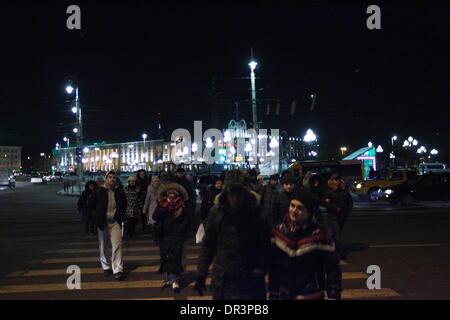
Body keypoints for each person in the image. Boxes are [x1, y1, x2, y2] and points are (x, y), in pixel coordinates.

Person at [194, 170, 270, 300]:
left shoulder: (256, 212)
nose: (235, 198)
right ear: (226, 193)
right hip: (224, 280)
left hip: (250, 280)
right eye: (232, 193)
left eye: (239, 193)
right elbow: (209, 243)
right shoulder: (217, 212)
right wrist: (201, 273)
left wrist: (260, 269)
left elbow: (265, 244)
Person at [268, 190, 342, 300]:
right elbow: (274, 266)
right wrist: (273, 292)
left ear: (309, 212)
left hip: (311, 293)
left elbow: (332, 268)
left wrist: (334, 294)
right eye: (292, 206)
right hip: (285, 293)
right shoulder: (279, 232)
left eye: (300, 208)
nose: (294, 211)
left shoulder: (321, 235)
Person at [88, 171, 127, 280]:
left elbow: (124, 204)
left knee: (117, 245)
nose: (112, 179)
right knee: (103, 245)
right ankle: (106, 266)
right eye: (110, 177)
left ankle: (118, 269)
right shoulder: (98, 191)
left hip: (115, 222)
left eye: (114, 177)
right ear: (106, 179)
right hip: (103, 222)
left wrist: (121, 215)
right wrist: (96, 217)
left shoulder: (119, 192)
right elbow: (90, 206)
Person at [153, 182, 190, 293]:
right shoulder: (162, 204)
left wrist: (181, 230)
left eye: (174, 194)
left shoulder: (182, 205)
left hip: (177, 236)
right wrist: (163, 207)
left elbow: (187, 220)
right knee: (165, 257)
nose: (172, 196)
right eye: (170, 194)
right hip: (164, 235)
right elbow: (155, 216)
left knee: (176, 257)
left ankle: (175, 281)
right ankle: (169, 279)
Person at [322, 174, 353, 260]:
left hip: (342, 216)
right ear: (332, 181)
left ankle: (331, 248)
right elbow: (324, 203)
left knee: (335, 234)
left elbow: (350, 202)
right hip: (333, 216)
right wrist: (334, 208)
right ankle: (339, 253)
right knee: (337, 234)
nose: (337, 181)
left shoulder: (344, 190)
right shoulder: (329, 191)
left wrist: (348, 212)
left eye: (338, 179)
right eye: (335, 179)